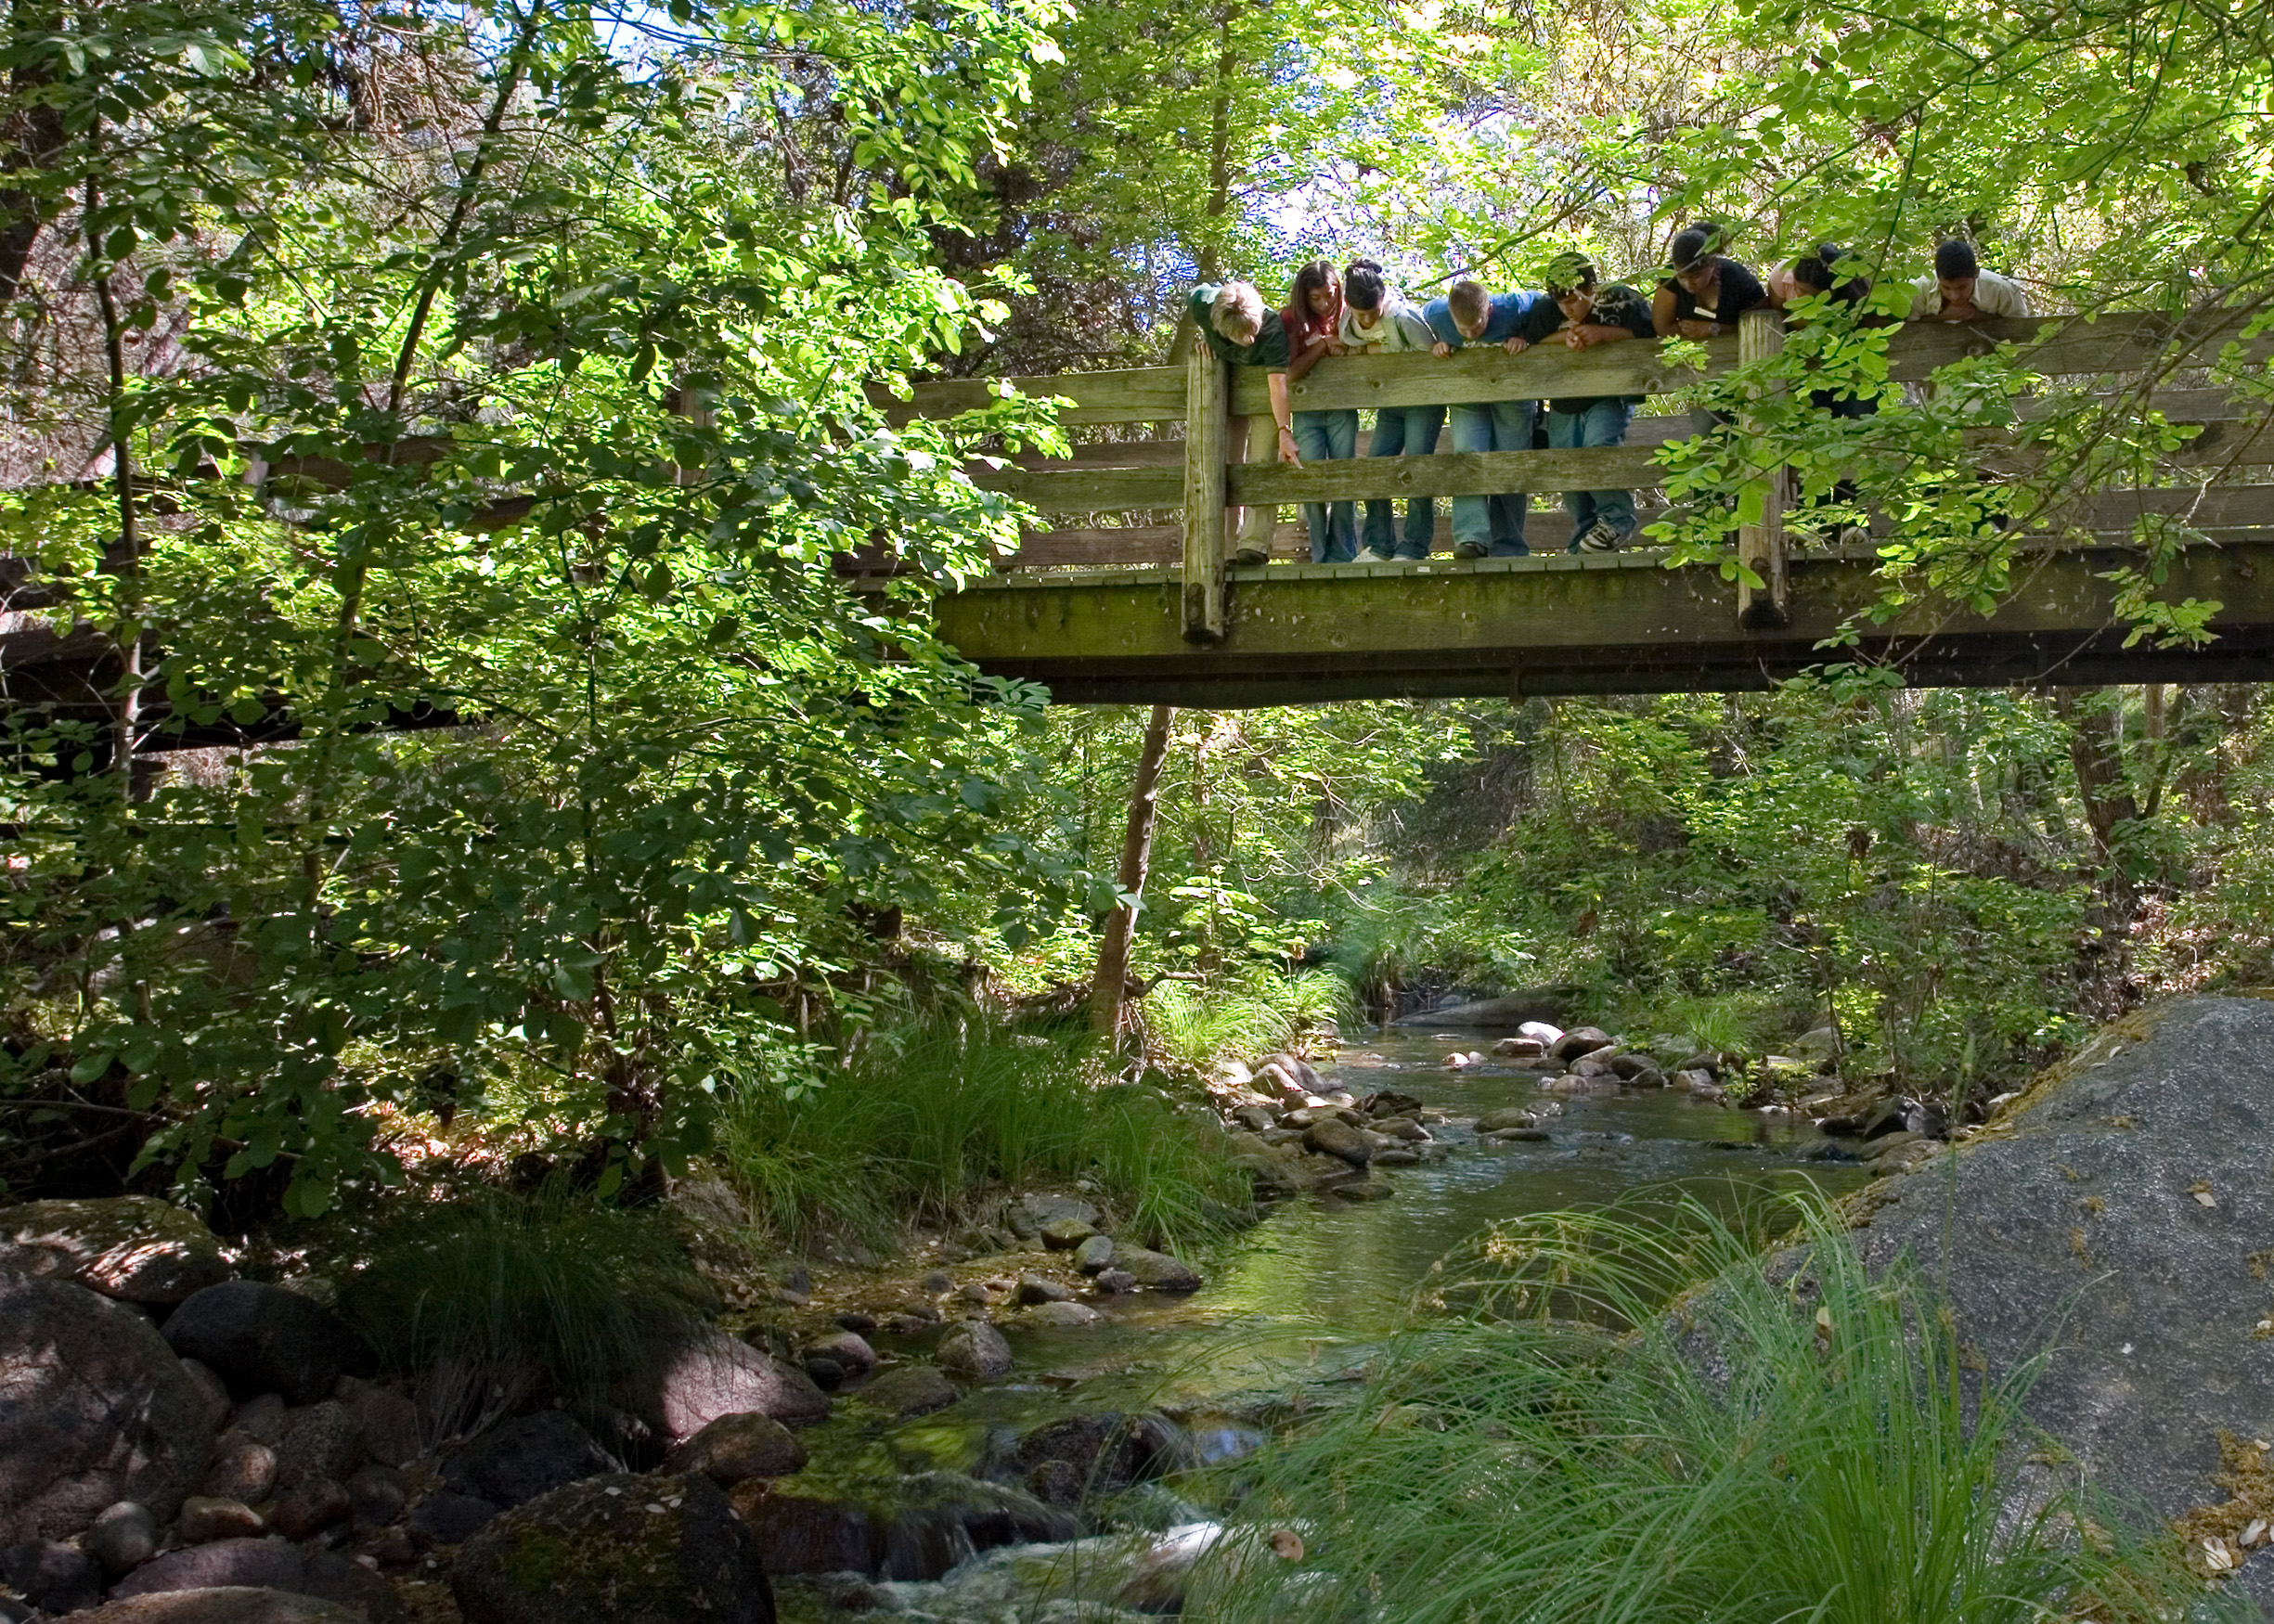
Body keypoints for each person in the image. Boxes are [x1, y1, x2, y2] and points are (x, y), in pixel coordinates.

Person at [1531, 250, 1656, 553]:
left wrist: (1603, 334)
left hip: (1609, 395)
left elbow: (1650, 333)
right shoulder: (1545, 312)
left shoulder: (1620, 300)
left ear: (1592, 289)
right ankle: (1585, 537)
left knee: (1599, 448)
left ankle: (1617, 520)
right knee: (1568, 464)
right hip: (1564, 401)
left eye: (1575, 300)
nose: (1569, 309)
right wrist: (1566, 338)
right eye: (1562, 302)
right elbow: (1531, 341)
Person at [1421, 276, 1552, 558]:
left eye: (1477, 326)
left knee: (1511, 459)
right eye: (1462, 330)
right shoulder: (1436, 313)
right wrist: (1437, 344)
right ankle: (1471, 537)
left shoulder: (1514, 306)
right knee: (1467, 455)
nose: (1471, 334)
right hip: (1467, 393)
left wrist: (1526, 336)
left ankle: (1509, 544)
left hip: (1512, 394)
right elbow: (1416, 327)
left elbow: (1547, 304)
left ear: (1489, 310)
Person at [1186, 279, 1300, 565]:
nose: (1249, 341)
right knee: (1223, 464)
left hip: (1265, 396)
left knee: (1262, 462)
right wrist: (1202, 342)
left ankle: (1254, 546)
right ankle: (1223, 548)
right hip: (1226, 395)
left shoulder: (1272, 330)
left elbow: (1278, 387)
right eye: (1241, 337)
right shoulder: (1202, 305)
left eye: (1252, 333)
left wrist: (1285, 431)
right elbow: (1198, 292)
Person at [1774, 242, 1880, 547]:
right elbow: (1772, 313)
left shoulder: (1855, 285)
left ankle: (1853, 521)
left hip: (1852, 367)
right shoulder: (1783, 276)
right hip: (1805, 370)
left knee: (1855, 433)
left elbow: (1879, 322)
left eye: (1810, 294)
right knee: (1810, 436)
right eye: (1800, 291)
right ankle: (1813, 522)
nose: (1802, 297)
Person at [1337, 258, 1441, 563]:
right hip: (1390, 403)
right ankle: (1379, 544)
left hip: (1422, 401)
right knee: (1376, 465)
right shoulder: (1348, 322)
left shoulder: (1403, 318)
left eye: (1373, 313)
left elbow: (1428, 354)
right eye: (1361, 315)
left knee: (1416, 465)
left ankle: (1414, 546)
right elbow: (1346, 344)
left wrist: (1374, 351)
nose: (1368, 320)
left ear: (1383, 298)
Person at [1281, 260, 1359, 564]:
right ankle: (1318, 554)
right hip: (1307, 412)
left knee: (1343, 476)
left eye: (1330, 294)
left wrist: (1342, 347)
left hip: (1342, 406)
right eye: (1316, 297)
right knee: (1311, 477)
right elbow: (1290, 372)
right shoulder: (1290, 320)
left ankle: (1343, 553)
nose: (1325, 303)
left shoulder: (1349, 313)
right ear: (1304, 296)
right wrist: (1323, 346)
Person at [1653, 223, 1770, 340]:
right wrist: (1692, 333)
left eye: (1696, 276)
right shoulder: (1669, 278)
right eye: (1681, 277)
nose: (1689, 284)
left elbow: (1762, 321)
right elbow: (1663, 326)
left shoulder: (1737, 278)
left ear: (1713, 264)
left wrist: (1715, 329)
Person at [1907, 240, 2033, 322]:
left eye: (1962, 287)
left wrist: (1978, 317)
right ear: (1937, 277)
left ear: (1975, 274)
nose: (1955, 296)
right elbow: (1909, 327)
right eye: (1946, 288)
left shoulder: (2002, 290)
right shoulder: (1920, 289)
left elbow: (2021, 327)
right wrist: (1944, 317)